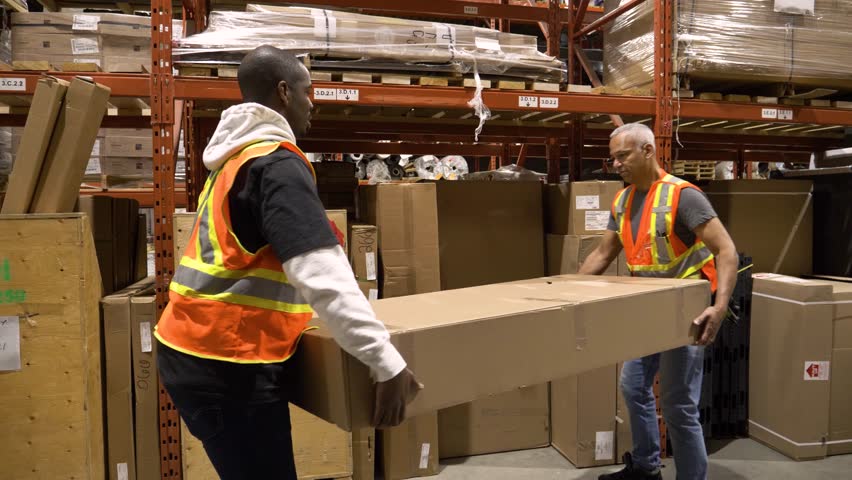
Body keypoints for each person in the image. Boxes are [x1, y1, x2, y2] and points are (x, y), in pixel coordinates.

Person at [154, 45, 422, 480]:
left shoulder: (233, 161)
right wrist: (386, 363)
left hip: (195, 350)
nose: (312, 102)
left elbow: (262, 249)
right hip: (228, 363)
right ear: (283, 92)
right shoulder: (275, 163)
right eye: (307, 90)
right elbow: (320, 274)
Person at [580, 123, 737, 480]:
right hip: (647, 311)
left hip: (687, 313)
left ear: (648, 151)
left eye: (623, 156)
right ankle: (647, 468)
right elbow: (603, 254)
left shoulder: (683, 196)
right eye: (613, 159)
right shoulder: (622, 200)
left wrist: (720, 305)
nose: (616, 165)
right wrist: (566, 291)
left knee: (678, 404)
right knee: (633, 386)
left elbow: (726, 251)